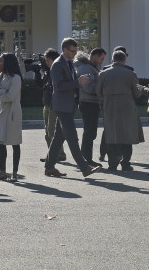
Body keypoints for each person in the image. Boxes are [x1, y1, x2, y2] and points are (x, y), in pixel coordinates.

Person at [43, 38, 100, 179]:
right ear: (64, 50)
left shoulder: (68, 63)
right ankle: (84, 167)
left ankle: (49, 167)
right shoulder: (57, 64)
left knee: (58, 138)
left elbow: (69, 83)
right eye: (72, 51)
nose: (75, 53)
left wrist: (79, 81)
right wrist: (78, 82)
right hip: (62, 106)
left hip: (68, 105)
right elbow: (59, 86)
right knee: (72, 137)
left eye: (76, 51)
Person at [97, 49, 146, 171]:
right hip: (127, 106)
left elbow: (98, 92)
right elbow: (137, 93)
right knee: (126, 135)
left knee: (111, 134)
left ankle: (112, 163)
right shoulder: (130, 73)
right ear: (124, 60)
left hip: (109, 106)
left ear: (112, 59)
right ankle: (126, 162)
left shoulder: (103, 74)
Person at [0, 53, 23, 182]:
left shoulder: (16, 78)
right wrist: (2, 93)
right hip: (1, 112)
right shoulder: (0, 76)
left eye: (1, 61)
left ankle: (14, 173)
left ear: (7, 63)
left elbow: (10, 97)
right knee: (1, 142)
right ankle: (2, 172)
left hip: (13, 113)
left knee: (15, 142)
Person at [76, 47, 106, 166]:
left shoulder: (92, 67)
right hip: (88, 103)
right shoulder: (85, 68)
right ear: (94, 56)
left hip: (92, 102)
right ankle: (85, 159)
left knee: (91, 132)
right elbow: (87, 86)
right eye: (101, 58)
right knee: (89, 132)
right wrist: (102, 86)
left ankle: (86, 158)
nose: (102, 61)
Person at [36, 48, 65, 163]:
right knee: (48, 131)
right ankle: (54, 154)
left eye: (47, 60)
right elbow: (40, 86)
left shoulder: (56, 71)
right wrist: (37, 74)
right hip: (47, 104)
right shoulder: (48, 71)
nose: (45, 62)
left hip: (54, 104)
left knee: (52, 130)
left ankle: (58, 154)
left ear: (53, 60)